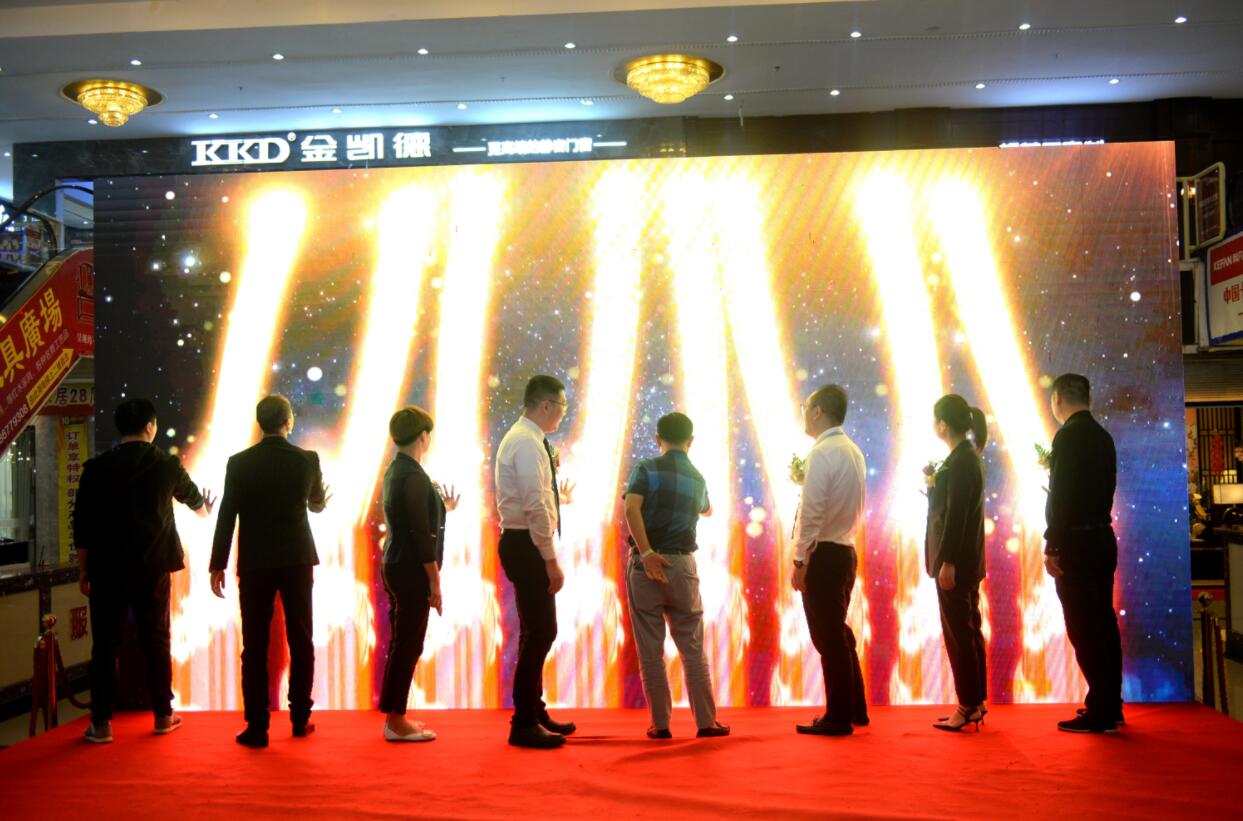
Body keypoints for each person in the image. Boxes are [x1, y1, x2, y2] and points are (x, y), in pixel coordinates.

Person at [75, 398, 214, 743]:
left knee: (105, 644)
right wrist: (206, 509)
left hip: (107, 568)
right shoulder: (166, 464)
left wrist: (84, 570)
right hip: (153, 565)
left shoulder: (96, 468)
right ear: (150, 427)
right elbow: (195, 502)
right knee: (156, 638)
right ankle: (163, 714)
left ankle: (102, 723)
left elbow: (83, 525)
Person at [209, 394, 328, 748]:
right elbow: (316, 504)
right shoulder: (307, 459)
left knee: (255, 644)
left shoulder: (239, 463)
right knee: (301, 638)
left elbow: (227, 514)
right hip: (297, 558)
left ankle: (257, 725)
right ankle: (300, 717)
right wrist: (320, 499)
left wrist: (217, 563)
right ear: (288, 421)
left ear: (260, 423)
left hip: (256, 561)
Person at [623, 412, 730, 740]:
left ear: (658, 439)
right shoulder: (697, 478)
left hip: (646, 565)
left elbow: (631, 508)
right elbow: (707, 509)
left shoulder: (645, 469)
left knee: (650, 649)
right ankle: (707, 723)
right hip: (683, 566)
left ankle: (661, 725)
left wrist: (646, 553)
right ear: (691, 441)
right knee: (692, 647)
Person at [494, 375, 576, 748]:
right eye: (562, 406)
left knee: (536, 630)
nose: (563, 414)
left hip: (523, 542)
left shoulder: (529, 439)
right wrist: (550, 559)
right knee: (540, 631)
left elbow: (540, 498)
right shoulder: (527, 443)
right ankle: (524, 721)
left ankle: (534, 710)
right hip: (526, 543)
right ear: (546, 405)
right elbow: (535, 505)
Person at [1043, 373, 1124, 733]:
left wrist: (1053, 543)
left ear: (1058, 398)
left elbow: (1061, 497)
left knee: (1083, 626)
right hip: (1102, 537)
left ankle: (1101, 710)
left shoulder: (1067, 436)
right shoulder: (1102, 437)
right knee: (1104, 622)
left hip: (1076, 543)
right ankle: (1109, 703)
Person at [378, 406, 459, 742]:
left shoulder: (398, 470)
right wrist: (434, 579)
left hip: (397, 563)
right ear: (424, 436)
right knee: (408, 644)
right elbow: (419, 533)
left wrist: (442, 508)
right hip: (409, 567)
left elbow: (416, 519)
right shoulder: (412, 475)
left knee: (405, 643)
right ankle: (395, 720)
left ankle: (395, 715)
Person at [792, 384, 869, 736]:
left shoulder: (822, 452)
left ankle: (838, 717)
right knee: (838, 632)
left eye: (806, 407)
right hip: (845, 549)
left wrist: (800, 559)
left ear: (818, 411)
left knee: (828, 638)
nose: (804, 414)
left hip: (823, 553)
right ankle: (854, 708)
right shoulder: (853, 451)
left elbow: (812, 510)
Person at [926, 394, 989, 732]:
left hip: (957, 562)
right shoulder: (965, 457)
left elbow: (957, 516)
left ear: (942, 425)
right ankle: (975, 701)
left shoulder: (962, 460)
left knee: (959, 634)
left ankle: (967, 705)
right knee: (969, 629)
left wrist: (947, 560)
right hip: (966, 560)